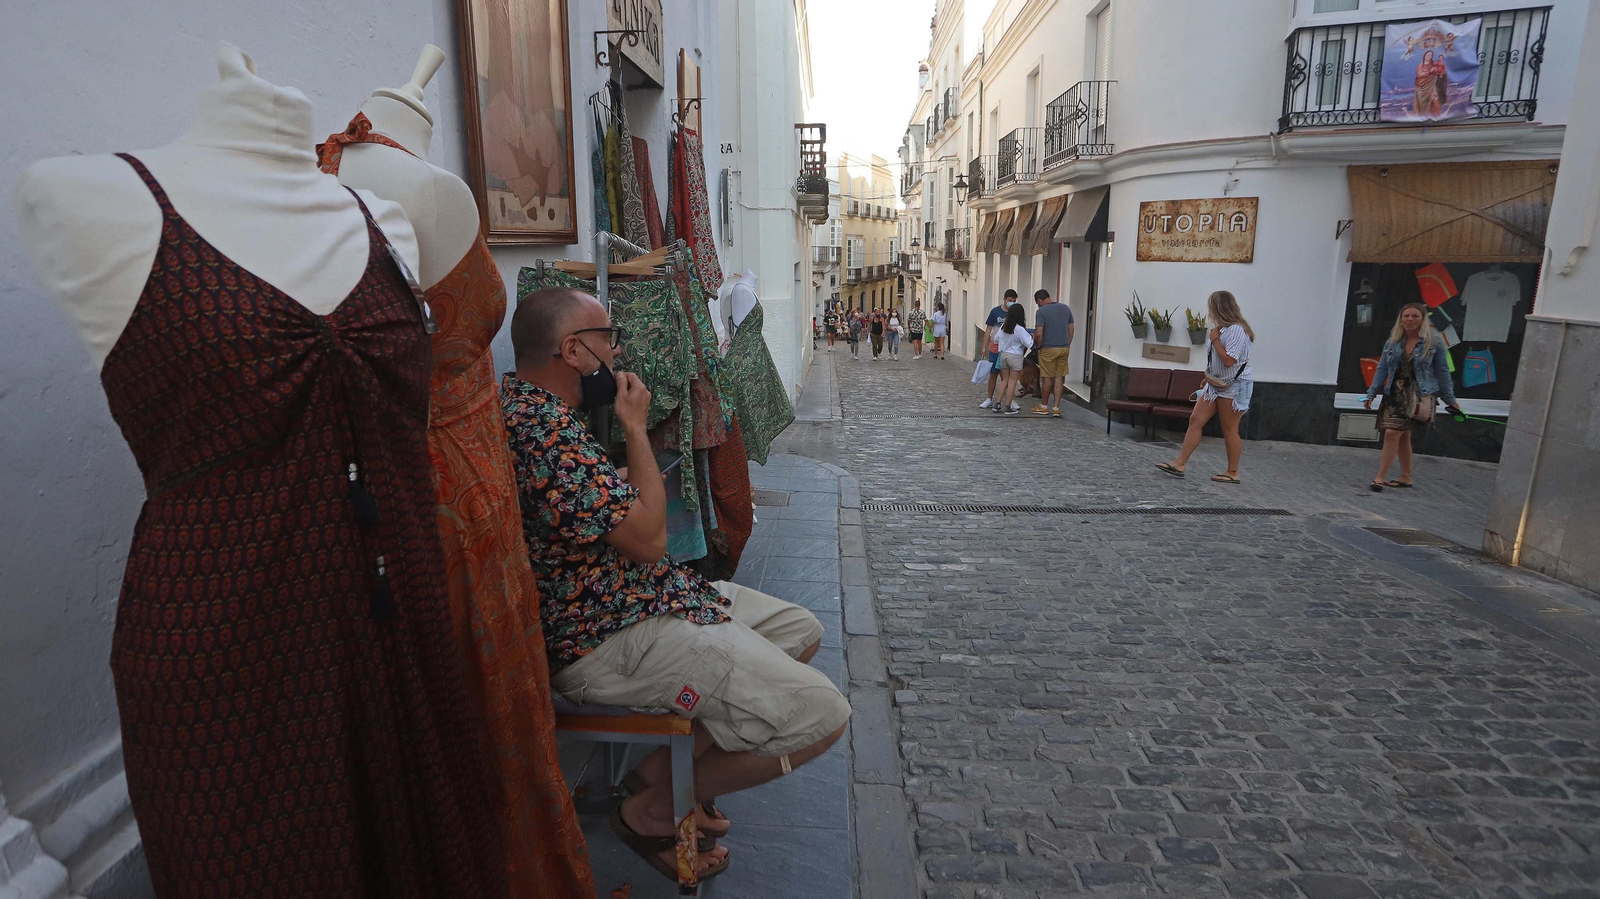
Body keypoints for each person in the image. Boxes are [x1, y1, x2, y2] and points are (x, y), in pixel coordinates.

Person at [501, 287, 851, 883]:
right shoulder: (543, 429)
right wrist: (635, 429)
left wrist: (621, 474)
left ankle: (659, 777)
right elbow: (649, 540)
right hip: (606, 634)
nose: (617, 351)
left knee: (800, 630)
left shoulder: (540, 409)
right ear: (573, 351)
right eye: (608, 339)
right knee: (822, 714)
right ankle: (654, 809)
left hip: (637, 596)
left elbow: (605, 512)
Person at [1157, 290, 1255, 484]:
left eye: (1211, 306)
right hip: (1216, 383)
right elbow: (1218, 360)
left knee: (1229, 428)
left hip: (1234, 386)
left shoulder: (1236, 330)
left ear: (1219, 308)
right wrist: (1209, 377)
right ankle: (1180, 463)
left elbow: (1229, 360)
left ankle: (1232, 472)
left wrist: (1215, 340)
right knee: (1195, 420)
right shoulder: (1221, 329)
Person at [1363, 303, 1461, 491]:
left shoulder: (1434, 342)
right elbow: (1382, 368)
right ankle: (1406, 477)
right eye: (1406, 316)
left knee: (1392, 433)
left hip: (1418, 396)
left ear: (1423, 320)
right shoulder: (1392, 342)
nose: (1410, 319)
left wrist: (1450, 400)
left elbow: (1443, 372)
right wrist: (1372, 392)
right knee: (1402, 435)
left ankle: (1379, 477)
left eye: (1415, 316)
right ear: (1401, 320)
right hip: (1394, 393)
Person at [1030, 288, 1075, 417]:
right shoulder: (1065, 308)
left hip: (1048, 348)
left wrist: (1038, 347)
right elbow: (1071, 328)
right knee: (1059, 377)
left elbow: (1039, 333)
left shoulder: (1041, 312)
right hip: (1064, 348)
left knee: (1047, 377)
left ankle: (1044, 406)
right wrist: (1067, 344)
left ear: (1039, 300)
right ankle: (1056, 408)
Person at [991, 302, 1034, 415]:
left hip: (1003, 355)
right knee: (1012, 381)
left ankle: (997, 404)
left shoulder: (1003, 326)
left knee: (1004, 380)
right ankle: (1008, 406)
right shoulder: (1020, 329)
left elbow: (996, 339)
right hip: (1015, 356)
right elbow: (1029, 343)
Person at [979, 289, 1019, 408]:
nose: (1012, 302)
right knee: (993, 374)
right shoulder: (995, 312)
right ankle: (989, 398)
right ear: (1004, 299)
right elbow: (988, 329)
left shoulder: (1015, 313)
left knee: (1006, 376)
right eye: (1010, 300)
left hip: (1008, 348)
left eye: (1014, 301)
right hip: (995, 346)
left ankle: (1009, 399)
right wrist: (984, 346)